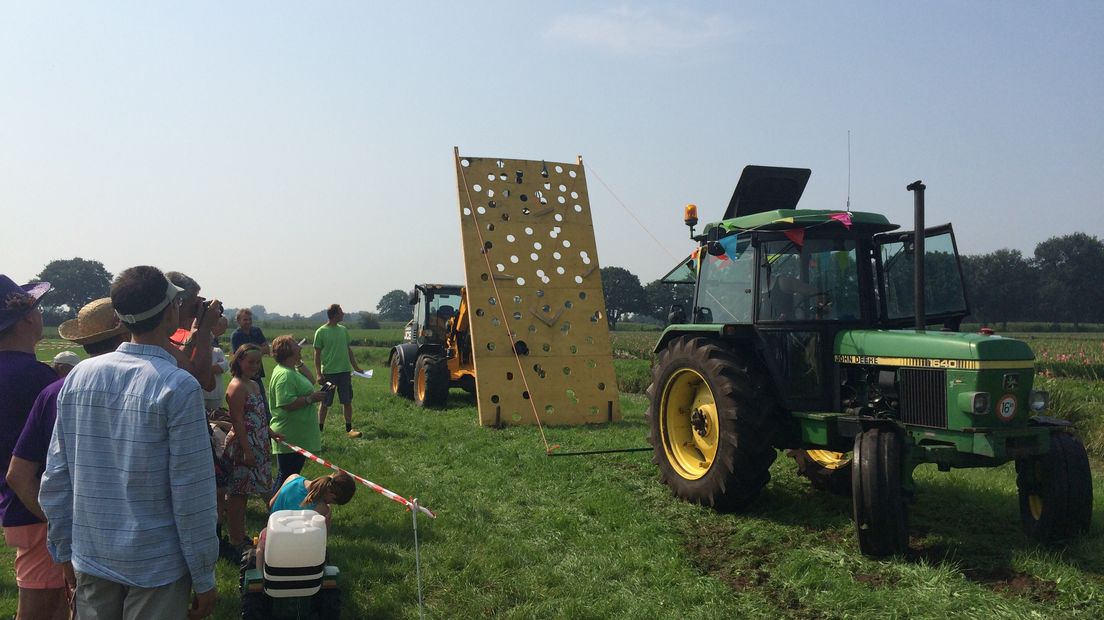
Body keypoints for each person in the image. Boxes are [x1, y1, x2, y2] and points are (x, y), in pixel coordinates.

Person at [40, 266, 218, 619]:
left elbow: (56, 477)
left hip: (92, 555)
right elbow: (192, 493)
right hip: (157, 567)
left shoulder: (80, 376)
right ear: (170, 312)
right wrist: (203, 574)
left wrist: (62, 551)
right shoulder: (178, 387)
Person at [7, 297, 129, 619]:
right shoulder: (49, 385)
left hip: (34, 513)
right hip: (52, 517)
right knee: (43, 609)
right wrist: (63, 526)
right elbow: (21, 474)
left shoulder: (52, 386)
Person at [0, 274, 63, 620]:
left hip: (15, 508)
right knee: (41, 611)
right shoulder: (39, 379)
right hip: (40, 508)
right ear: (26, 317)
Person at [223, 344, 273, 555]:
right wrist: (247, 451)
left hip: (259, 445)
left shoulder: (253, 384)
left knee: (262, 488)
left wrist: (269, 431)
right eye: (250, 361)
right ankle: (236, 540)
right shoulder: (236, 387)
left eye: (257, 362)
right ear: (239, 360)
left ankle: (244, 537)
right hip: (243, 448)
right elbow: (238, 422)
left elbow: (257, 415)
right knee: (238, 496)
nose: (254, 366)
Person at [254, 471, 356, 571]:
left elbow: (271, 504)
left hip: (274, 539)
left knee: (263, 534)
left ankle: (259, 573)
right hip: (298, 549)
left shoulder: (293, 477)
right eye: (333, 502)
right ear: (332, 495)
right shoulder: (323, 509)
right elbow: (322, 539)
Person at [268, 335, 328, 491]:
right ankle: (275, 507)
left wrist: (299, 361)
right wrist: (310, 399)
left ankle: (277, 506)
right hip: (290, 433)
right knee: (287, 476)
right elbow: (286, 403)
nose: (300, 346)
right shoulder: (285, 375)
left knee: (289, 475)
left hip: (297, 434)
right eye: (296, 345)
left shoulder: (291, 369)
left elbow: (311, 380)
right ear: (288, 350)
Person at [165, 271, 222, 392]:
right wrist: (205, 331)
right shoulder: (157, 339)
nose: (196, 309)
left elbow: (210, 385)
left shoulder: (155, 335)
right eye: (194, 304)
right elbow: (202, 380)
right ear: (176, 304)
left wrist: (193, 337)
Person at [313, 304, 364, 438]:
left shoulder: (343, 330)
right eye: (341, 312)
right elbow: (317, 354)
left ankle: (349, 430)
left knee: (347, 401)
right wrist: (318, 373)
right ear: (335, 315)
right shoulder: (321, 332)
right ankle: (319, 430)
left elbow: (348, 350)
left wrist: (356, 367)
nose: (343, 314)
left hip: (344, 373)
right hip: (328, 374)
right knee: (325, 403)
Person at [230, 308, 270, 417]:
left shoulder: (256, 331)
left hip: (257, 373)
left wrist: (252, 352)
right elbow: (239, 356)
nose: (248, 322)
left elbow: (267, 349)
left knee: (263, 405)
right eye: (245, 319)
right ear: (238, 321)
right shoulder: (236, 336)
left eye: (249, 319)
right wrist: (258, 350)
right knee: (246, 406)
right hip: (243, 375)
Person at [202, 316, 230, 412]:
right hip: (201, 393)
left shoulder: (217, 351)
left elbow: (225, 366)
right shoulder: (195, 352)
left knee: (217, 416)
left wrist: (207, 369)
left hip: (215, 393)